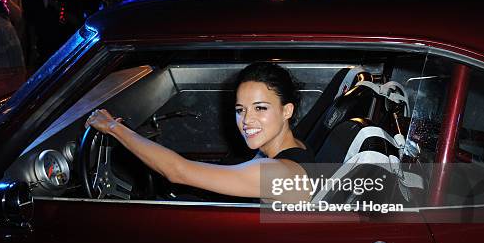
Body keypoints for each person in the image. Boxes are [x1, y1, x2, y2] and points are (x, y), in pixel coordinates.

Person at [86, 62, 314, 199]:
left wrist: (113, 127)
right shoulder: (292, 148)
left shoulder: (279, 173)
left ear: (287, 111)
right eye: (240, 109)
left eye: (260, 108)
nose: (246, 120)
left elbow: (178, 171)